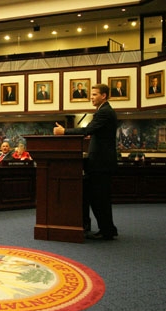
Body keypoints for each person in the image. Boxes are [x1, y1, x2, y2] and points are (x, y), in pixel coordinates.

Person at [53, 83, 118, 240]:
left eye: (95, 94)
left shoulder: (104, 112)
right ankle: (108, 229)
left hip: (101, 164)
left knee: (100, 199)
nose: (92, 98)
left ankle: (107, 231)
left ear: (104, 96)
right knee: (98, 198)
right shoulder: (104, 111)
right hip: (99, 163)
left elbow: (86, 130)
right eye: (91, 95)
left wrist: (64, 132)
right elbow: (94, 133)